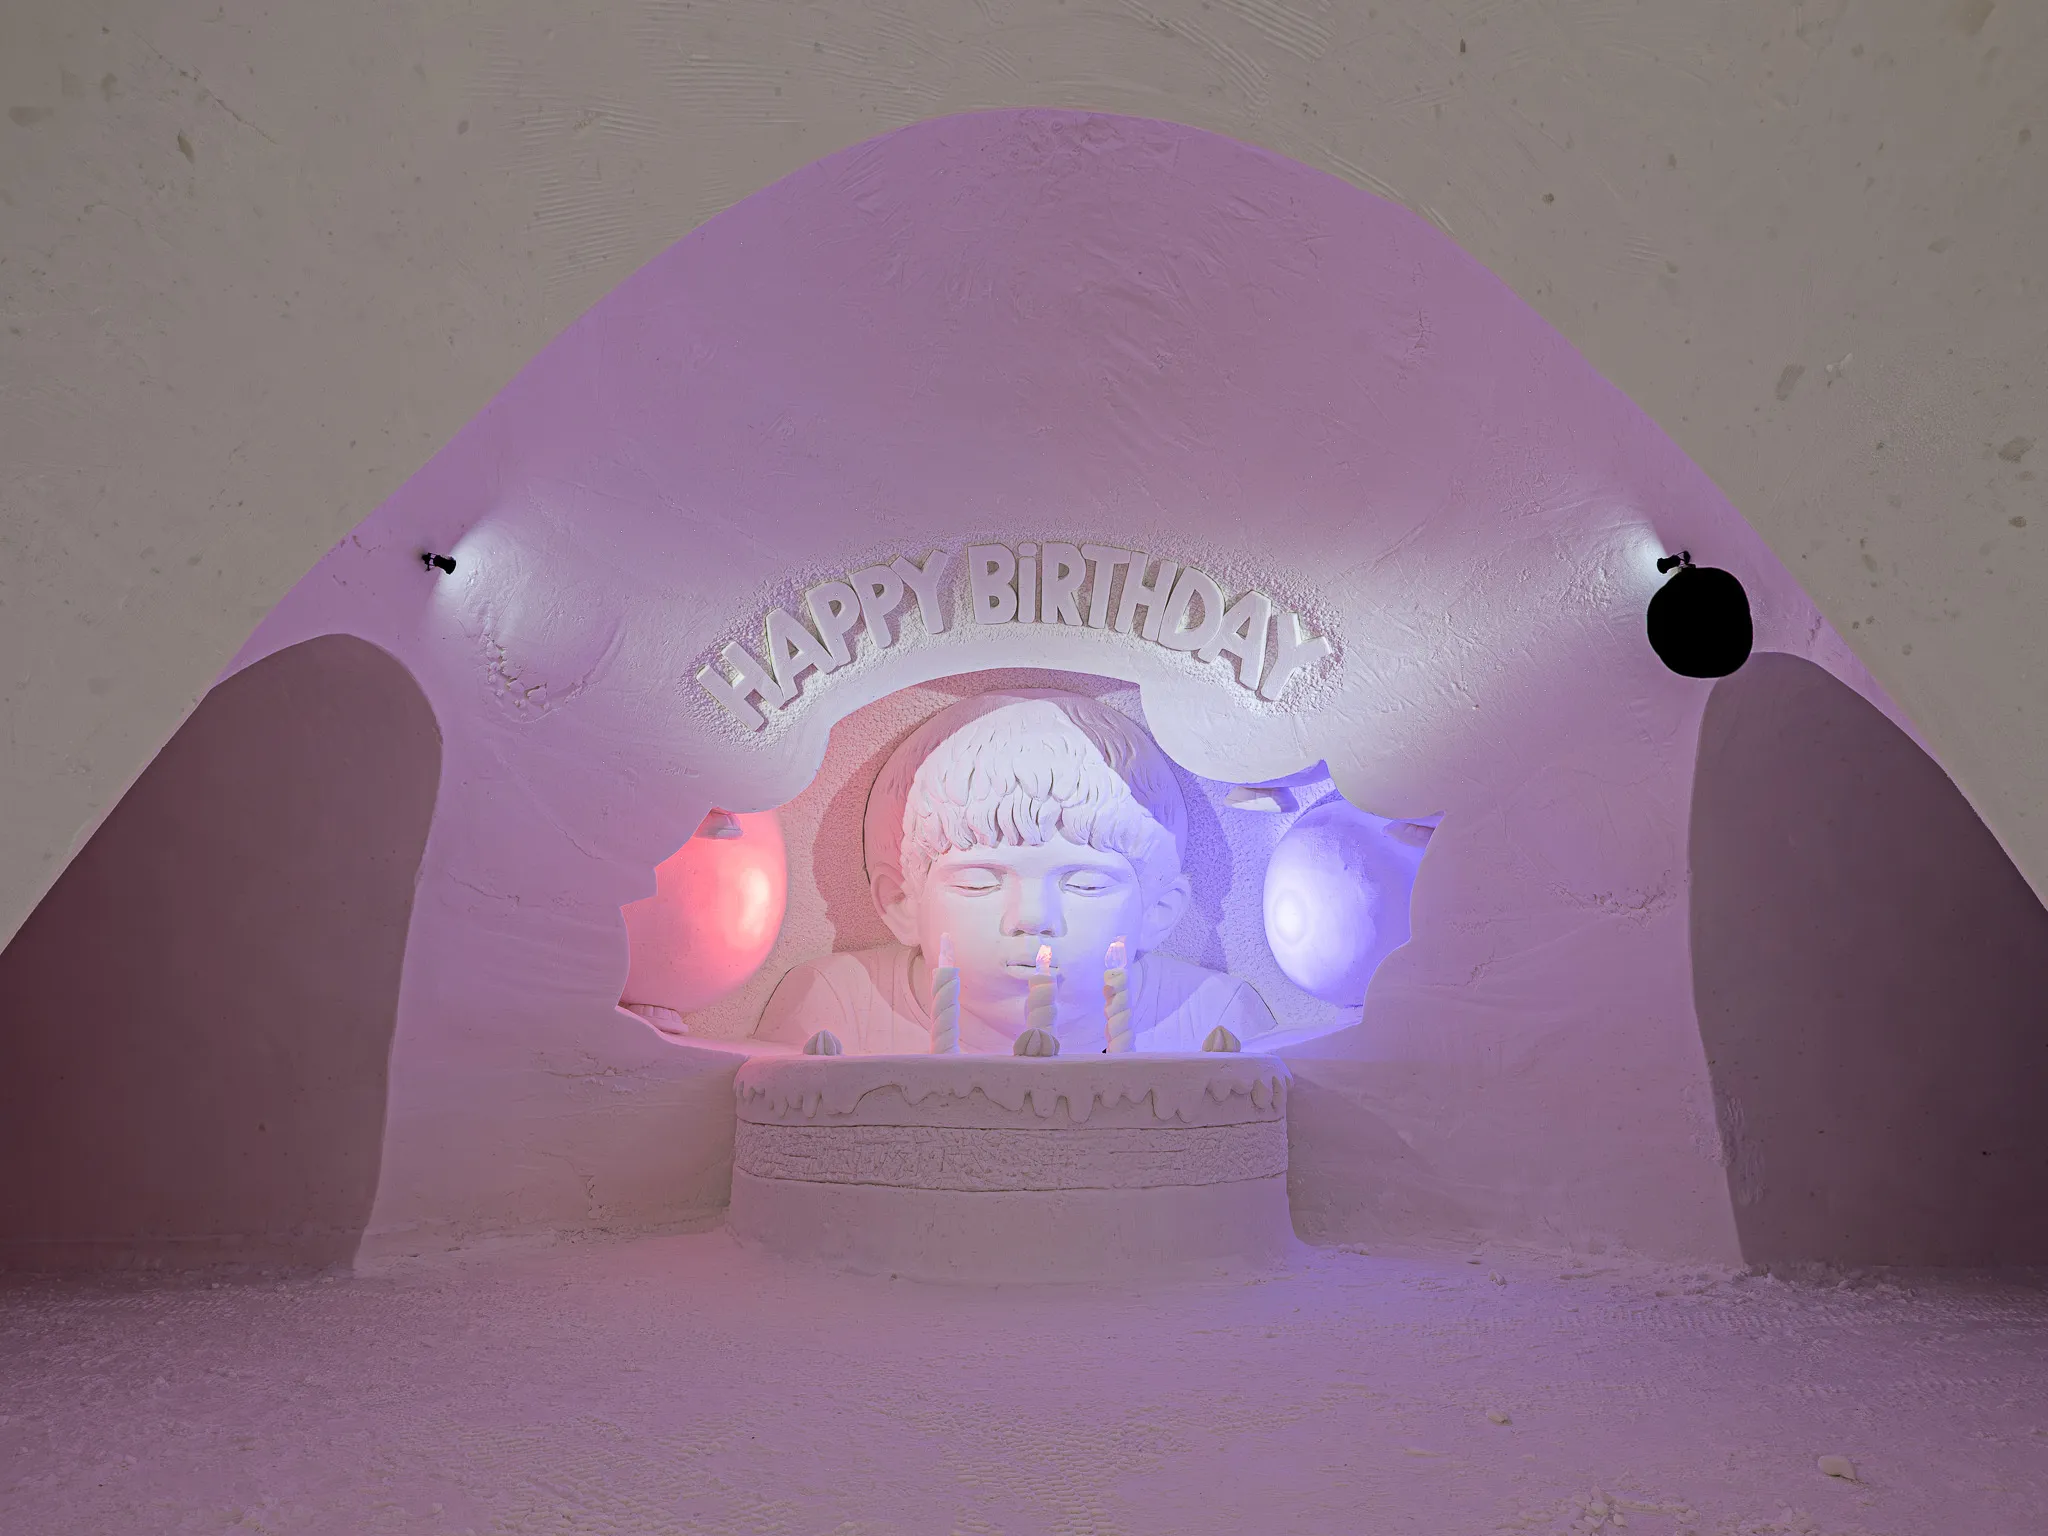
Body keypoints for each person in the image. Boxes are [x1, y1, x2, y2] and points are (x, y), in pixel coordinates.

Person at [755, 689, 1276, 1054]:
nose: (1032, 919)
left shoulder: (1215, 1018)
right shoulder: (834, 1009)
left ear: (1158, 910)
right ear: (903, 904)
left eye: (1084, 884)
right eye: (980, 881)